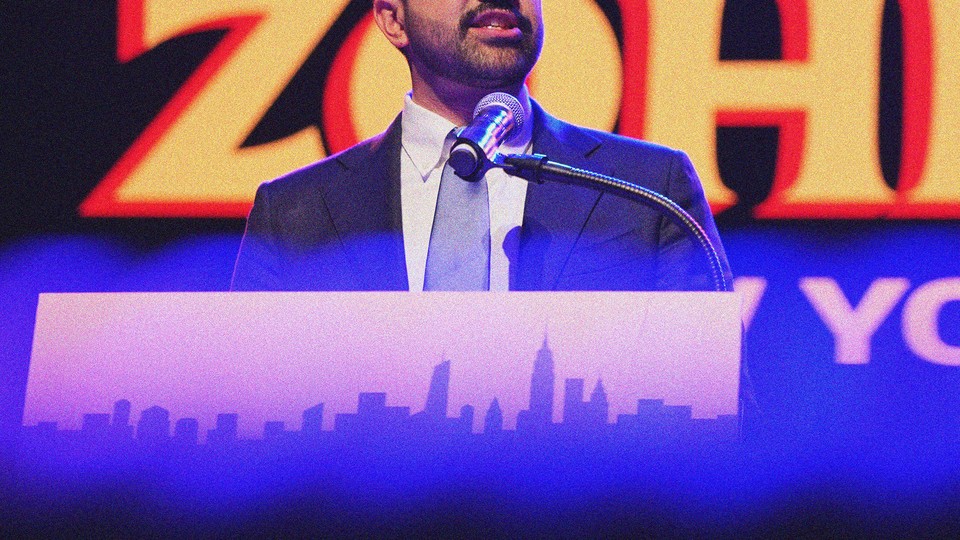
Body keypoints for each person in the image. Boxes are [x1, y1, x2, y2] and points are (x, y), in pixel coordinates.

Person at [231, 0, 732, 292]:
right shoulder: (294, 213)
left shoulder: (646, 190)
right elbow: (243, 422)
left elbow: (719, 411)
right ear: (392, 19)